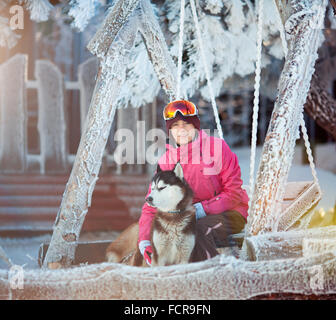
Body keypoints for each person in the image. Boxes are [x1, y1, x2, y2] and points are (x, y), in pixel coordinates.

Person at [138, 100, 249, 265]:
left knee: (194, 232)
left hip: (229, 213)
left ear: (195, 126)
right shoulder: (167, 161)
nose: (181, 129)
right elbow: (152, 205)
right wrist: (145, 240)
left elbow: (234, 193)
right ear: (170, 130)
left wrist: (202, 209)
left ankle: (208, 279)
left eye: (186, 124)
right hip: (186, 218)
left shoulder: (216, 148)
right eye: (175, 125)